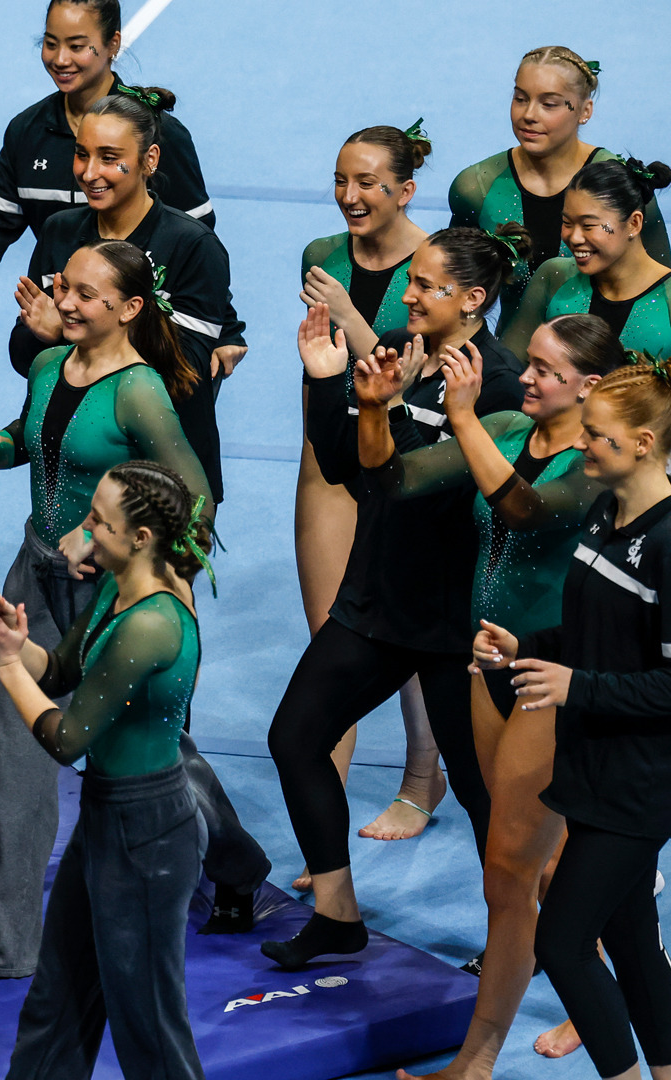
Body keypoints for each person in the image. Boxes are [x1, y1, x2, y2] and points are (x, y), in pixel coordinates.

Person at [0, 239, 265, 991]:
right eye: (64, 287)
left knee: (157, 757)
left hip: (113, 592)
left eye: (87, 294)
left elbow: (195, 498)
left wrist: (147, 574)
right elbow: (34, 436)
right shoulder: (51, 364)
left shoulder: (141, 391)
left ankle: (237, 865)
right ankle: (3, 949)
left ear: (128, 309)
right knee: (14, 758)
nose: (66, 301)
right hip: (36, 575)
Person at [368, 317, 623, 1079]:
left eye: (547, 368)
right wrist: (378, 409)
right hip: (490, 666)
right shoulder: (508, 427)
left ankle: (493, 1053)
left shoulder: (593, 462)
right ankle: (574, 988)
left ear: (593, 385)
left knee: (512, 872)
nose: (529, 375)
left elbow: (526, 511)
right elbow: (396, 482)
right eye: (531, 362)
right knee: (528, 872)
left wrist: (464, 417)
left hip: (554, 674)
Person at [268, 228, 528, 969]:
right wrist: (327, 379)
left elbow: (410, 482)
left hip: (455, 623)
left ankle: (513, 939)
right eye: (410, 281)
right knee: (294, 738)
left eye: (426, 285)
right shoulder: (394, 347)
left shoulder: (502, 386)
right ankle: (337, 913)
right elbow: (347, 466)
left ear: (473, 301)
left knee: (482, 792)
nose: (407, 294)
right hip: (377, 600)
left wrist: (391, 413)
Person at [0, 459, 213, 1080]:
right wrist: (18, 642)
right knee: (59, 999)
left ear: (141, 539)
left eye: (98, 521)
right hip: (108, 820)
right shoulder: (114, 586)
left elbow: (67, 738)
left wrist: (4, 668)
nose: (84, 530)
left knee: (150, 1029)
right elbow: (63, 671)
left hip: (148, 836)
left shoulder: (152, 623)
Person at [481, 361, 671, 1080]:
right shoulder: (605, 509)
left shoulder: (669, 542)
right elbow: (590, 630)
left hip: (641, 780)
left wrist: (577, 686)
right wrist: (524, 650)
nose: (582, 446)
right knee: (631, 938)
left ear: (644, 443)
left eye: (596, 436)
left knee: (561, 940)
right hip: (591, 763)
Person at [296, 123, 443, 858]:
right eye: (341, 180)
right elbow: (314, 365)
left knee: (404, 632)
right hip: (330, 458)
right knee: (333, 630)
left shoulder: (432, 265)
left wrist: (352, 320)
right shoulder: (322, 256)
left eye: (369, 184)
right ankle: (322, 806)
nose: (349, 197)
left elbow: (414, 370)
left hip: (403, 463)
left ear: (405, 190)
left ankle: (423, 773)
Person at [14, 84, 245, 500]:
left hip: (162, 478)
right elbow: (24, 357)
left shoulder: (192, 246)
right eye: (82, 154)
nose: (88, 172)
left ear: (149, 160)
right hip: (75, 465)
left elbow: (186, 376)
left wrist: (66, 330)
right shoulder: (60, 231)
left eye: (109, 158)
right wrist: (41, 332)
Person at [0, 0, 214, 279]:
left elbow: (198, 251)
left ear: (113, 44)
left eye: (77, 46)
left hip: (141, 313)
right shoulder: (27, 132)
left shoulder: (159, 135)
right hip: (62, 307)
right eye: (50, 43)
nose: (60, 59)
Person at [449, 47, 671, 331]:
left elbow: (660, 289)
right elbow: (455, 288)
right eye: (520, 99)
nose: (529, 114)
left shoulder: (621, 185)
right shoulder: (476, 187)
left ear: (584, 111)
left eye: (549, 104)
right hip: (516, 361)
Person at [502, 158, 671, 360]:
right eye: (567, 222)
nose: (574, 238)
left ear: (634, 224)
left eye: (589, 225)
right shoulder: (554, 276)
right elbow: (509, 368)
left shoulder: (668, 297)